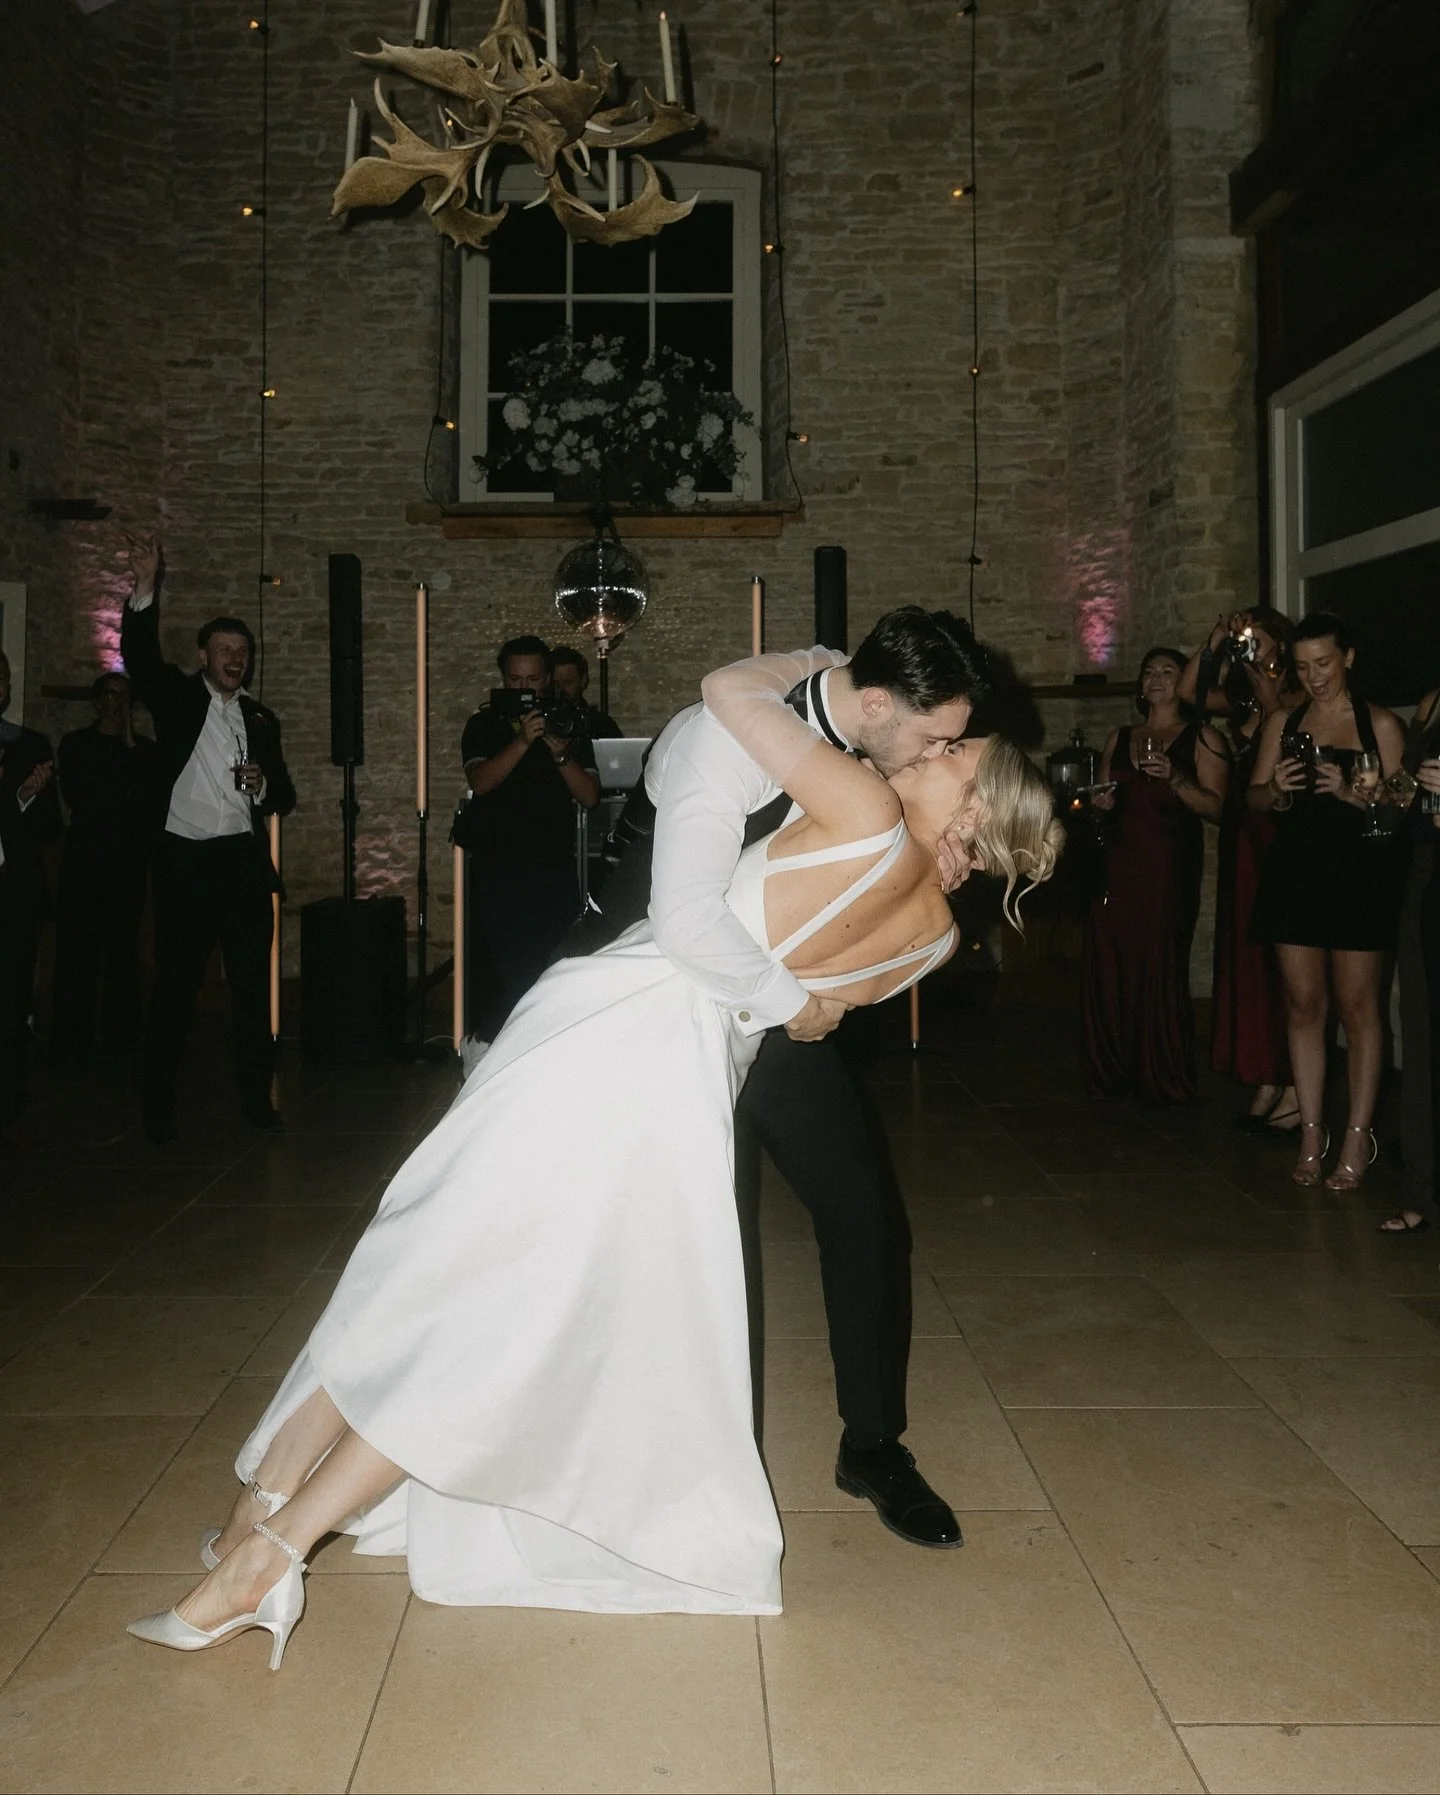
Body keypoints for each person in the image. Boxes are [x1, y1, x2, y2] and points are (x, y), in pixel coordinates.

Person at [126, 642, 1061, 1664]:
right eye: (945, 738)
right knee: (444, 1274)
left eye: (958, 756)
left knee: (445, 1283)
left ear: (973, 812)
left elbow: (724, 693)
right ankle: (264, 1516)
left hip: (612, 1027)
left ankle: (271, 1549)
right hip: (692, 1077)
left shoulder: (865, 805)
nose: (937, 747)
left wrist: (823, 664)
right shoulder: (935, 940)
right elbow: (811, 1015)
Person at [572, 609, 995, 1545]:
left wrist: (936, 849)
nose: (942, 755)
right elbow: (685, 920)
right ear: (879, 707)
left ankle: (873, 1444)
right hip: (656, 1004)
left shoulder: (855, 700)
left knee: (863, 1210)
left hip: (764, 1009)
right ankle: (676, 1453)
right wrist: (794, 1007)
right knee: (697, 1234)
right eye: (937, 741)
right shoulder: (720, 740)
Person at [121, 538, 297, 1143]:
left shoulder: (261, 718)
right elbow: (140, 660)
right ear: (203, 655)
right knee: (176, 987)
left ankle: (256, 1099)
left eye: (242, 652)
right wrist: (145, 588)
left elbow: (284, 797)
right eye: (224, 650)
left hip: (241, 865)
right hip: (186, 861)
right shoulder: (177, 697)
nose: (235, 659)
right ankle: (157, 1109)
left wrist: (263, 783)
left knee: (252, 989)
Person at [1248, 613, 1405, 1189]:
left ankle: (1358, 1136)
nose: (1313, 677)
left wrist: (1351, 795)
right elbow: (1253, 799)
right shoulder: (1284, 721)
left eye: (1323, 663)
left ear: (1348, 659)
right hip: (1296, 874)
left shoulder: (1379, 723)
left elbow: (1399, 812)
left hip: (1359, 877)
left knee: (1359, 1009)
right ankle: (1312, 1133)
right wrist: (1277, 789)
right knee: (1303, 1007)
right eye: (1302, 666)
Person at [1082, 647, 1228, 1103]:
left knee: (1158, 961)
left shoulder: (1203, 737)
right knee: (1110, 959)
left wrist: (1176, 778)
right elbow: (1102, 800)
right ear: (1141, 685)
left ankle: (1160, 1073)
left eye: (1168, 671)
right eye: (1149, 672)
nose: (1158, 678)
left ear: (1183, 682)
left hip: (1166, 866)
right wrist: (1100, 806)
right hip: (1117, 864)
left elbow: (1218, 809)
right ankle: (1111, 1070)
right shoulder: (1120, 736)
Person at [1181, 610, 1301, 1133]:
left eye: (1259, 638)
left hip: (1278, 838)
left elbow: (1284, 732)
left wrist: (1268, 687)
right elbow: (1187, 694)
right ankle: (1267, 1075)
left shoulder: (1296, 695)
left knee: (1282, 962)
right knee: (1248, 957)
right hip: (1243, 838)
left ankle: (1293, 1081)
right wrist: (1214, 641)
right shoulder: (1243, 697)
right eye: (1246, 638)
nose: (1251, 646)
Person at [458, 637, 600, 1040]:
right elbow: (481, 781)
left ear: (547, 679)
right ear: (503, 679)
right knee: (504, 970)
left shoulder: (565, 721)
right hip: (499, 867)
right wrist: (522, 739)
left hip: (552, 866)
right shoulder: (484, 724)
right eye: (515, 679)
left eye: (533, 679)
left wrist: (560, 753)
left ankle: (548, 1045)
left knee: (554, 965)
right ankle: (497, 1046)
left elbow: (589, 796)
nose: (524, 688)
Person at [51, 673, 161, 1066]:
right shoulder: (76, 744)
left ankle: (121, 1041)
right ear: (98, 701)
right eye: (112, 694)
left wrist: (129, 748)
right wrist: (121, 791)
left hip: (126, 865)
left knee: (122, 952)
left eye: (125, 695)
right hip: (85, 862)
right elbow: (80, 796)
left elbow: (148, 802)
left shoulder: (143, 750)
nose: (118, 702)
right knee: (77, 951)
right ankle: (71, 1043)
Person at [1379, 683, 1440, 1234]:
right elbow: (1408, 784)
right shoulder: (1432, 703)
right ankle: (1423, 1191)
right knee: (1421, 1037)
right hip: (1427, 873)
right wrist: (1379, 793)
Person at [0, 651, 63, 1152]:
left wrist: (26, 796)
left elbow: (49, 829)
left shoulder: (29, 746)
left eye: (2, 679)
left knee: (12, 1003)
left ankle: (9, 1106)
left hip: (12, 896)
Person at [550, 645, 622, 739]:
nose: (561, 689)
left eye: (567, 682)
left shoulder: (602, 725)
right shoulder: (542, 722)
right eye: (555, 684)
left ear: (583, 680)